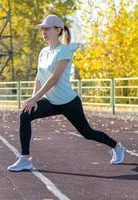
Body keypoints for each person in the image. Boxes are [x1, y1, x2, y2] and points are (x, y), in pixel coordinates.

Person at [8, 15, 126, 172]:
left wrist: (35, 98)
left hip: (68, 102)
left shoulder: (64, 51)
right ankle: (25, 159)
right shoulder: (43, 52)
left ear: (58, 30)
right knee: (25, 114)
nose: (44, 31)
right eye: (42, 29)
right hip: (51, 102)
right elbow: (39, 77)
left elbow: (53, 79)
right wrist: (33, 99)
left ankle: (117, 147)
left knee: (87, 133)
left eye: (47, 29)